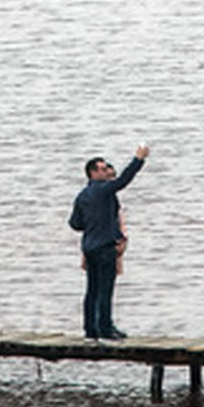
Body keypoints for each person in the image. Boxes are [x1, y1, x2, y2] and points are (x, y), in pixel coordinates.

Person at [69, 145, 150, 340]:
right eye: (103, 169)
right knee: (105, 289)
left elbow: (75, 223)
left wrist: (93, 225)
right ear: (93, 172)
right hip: (104, 247)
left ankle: (90, 329)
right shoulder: (103, 190)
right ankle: (105, 328)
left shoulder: (82, 195)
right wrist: (138, 159)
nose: (107, 172)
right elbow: (124, 180)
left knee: (92, 290)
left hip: (89, 246)